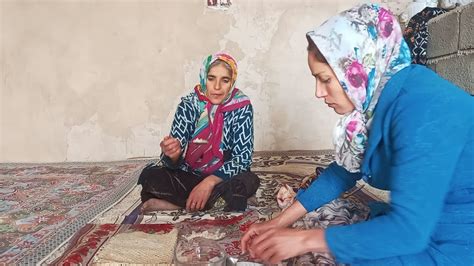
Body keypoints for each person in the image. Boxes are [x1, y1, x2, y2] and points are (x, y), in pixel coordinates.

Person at [241, 4, 473, 265]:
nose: (319, 93)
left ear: (360, 67)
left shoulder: (424, 110)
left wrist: (305, 239)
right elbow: (344, 171)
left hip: (458, 236)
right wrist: (279, 223)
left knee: (352, 252)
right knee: (338, 231)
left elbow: (409, 231)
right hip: (429, 221)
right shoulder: (379, 102)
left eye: (325, 79)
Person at [139, 52, 259, 213]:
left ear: (232, 82)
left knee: (249, 181)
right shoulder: (189, 105)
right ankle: (217, 201)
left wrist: (209, 182)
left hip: (223, 177)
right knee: (151, 176)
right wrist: (172, 154)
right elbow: (172, 160)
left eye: (225, 80)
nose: (217, 87)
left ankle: (179, 203)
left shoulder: (242, 106)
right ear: (203, 78)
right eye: (211, 78)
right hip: (189, 174)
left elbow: (242, 158)